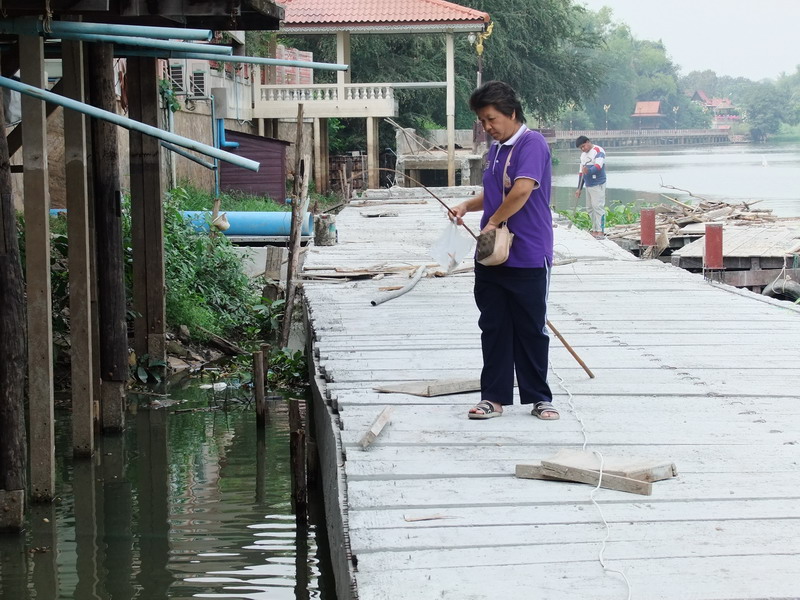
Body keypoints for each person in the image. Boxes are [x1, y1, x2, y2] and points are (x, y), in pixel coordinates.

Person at [449, 80, 558, 421]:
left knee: (530, 326)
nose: (487, 127)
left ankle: (539, 397)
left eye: (491, 119)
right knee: (493, 325)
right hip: (492, 253)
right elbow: (495, 192)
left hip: (527, 253)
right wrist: (468, 205)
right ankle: (492, 398)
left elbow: (522, 190)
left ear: (511, 113)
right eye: (482, 120)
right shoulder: (495, 150)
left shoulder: (532, 144)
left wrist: (493, 221)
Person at [574, 135, 607, 238]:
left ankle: (600, 231)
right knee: (589, 208)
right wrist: (579, 188)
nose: (583, 149)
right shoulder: (583, 155)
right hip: (588, 185)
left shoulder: (598, 150)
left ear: (588, 142)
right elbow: (581, 173)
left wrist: (588, 170)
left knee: (598, 207)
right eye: (581, 148)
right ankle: (594, 229)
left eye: (583, 146)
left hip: (598, 184)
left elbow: (598, 166)